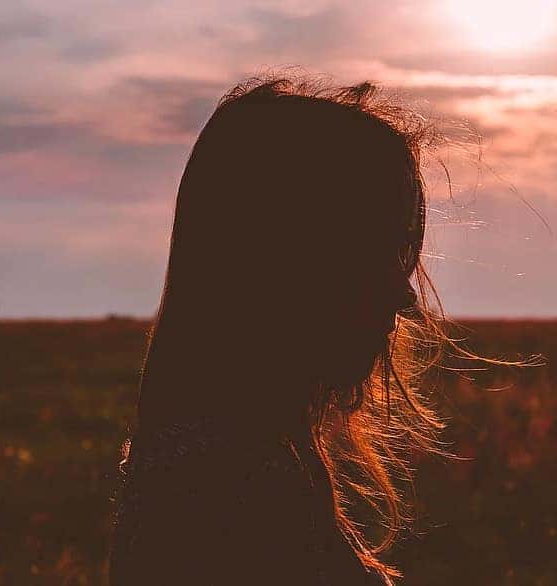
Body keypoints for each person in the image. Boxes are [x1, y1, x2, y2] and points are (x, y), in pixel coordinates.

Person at [108, 74, 459, 586]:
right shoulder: (224, 484)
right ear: (283, 260)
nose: (404, 297)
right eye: (373, 251)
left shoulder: (232, 460)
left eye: (403, 255)